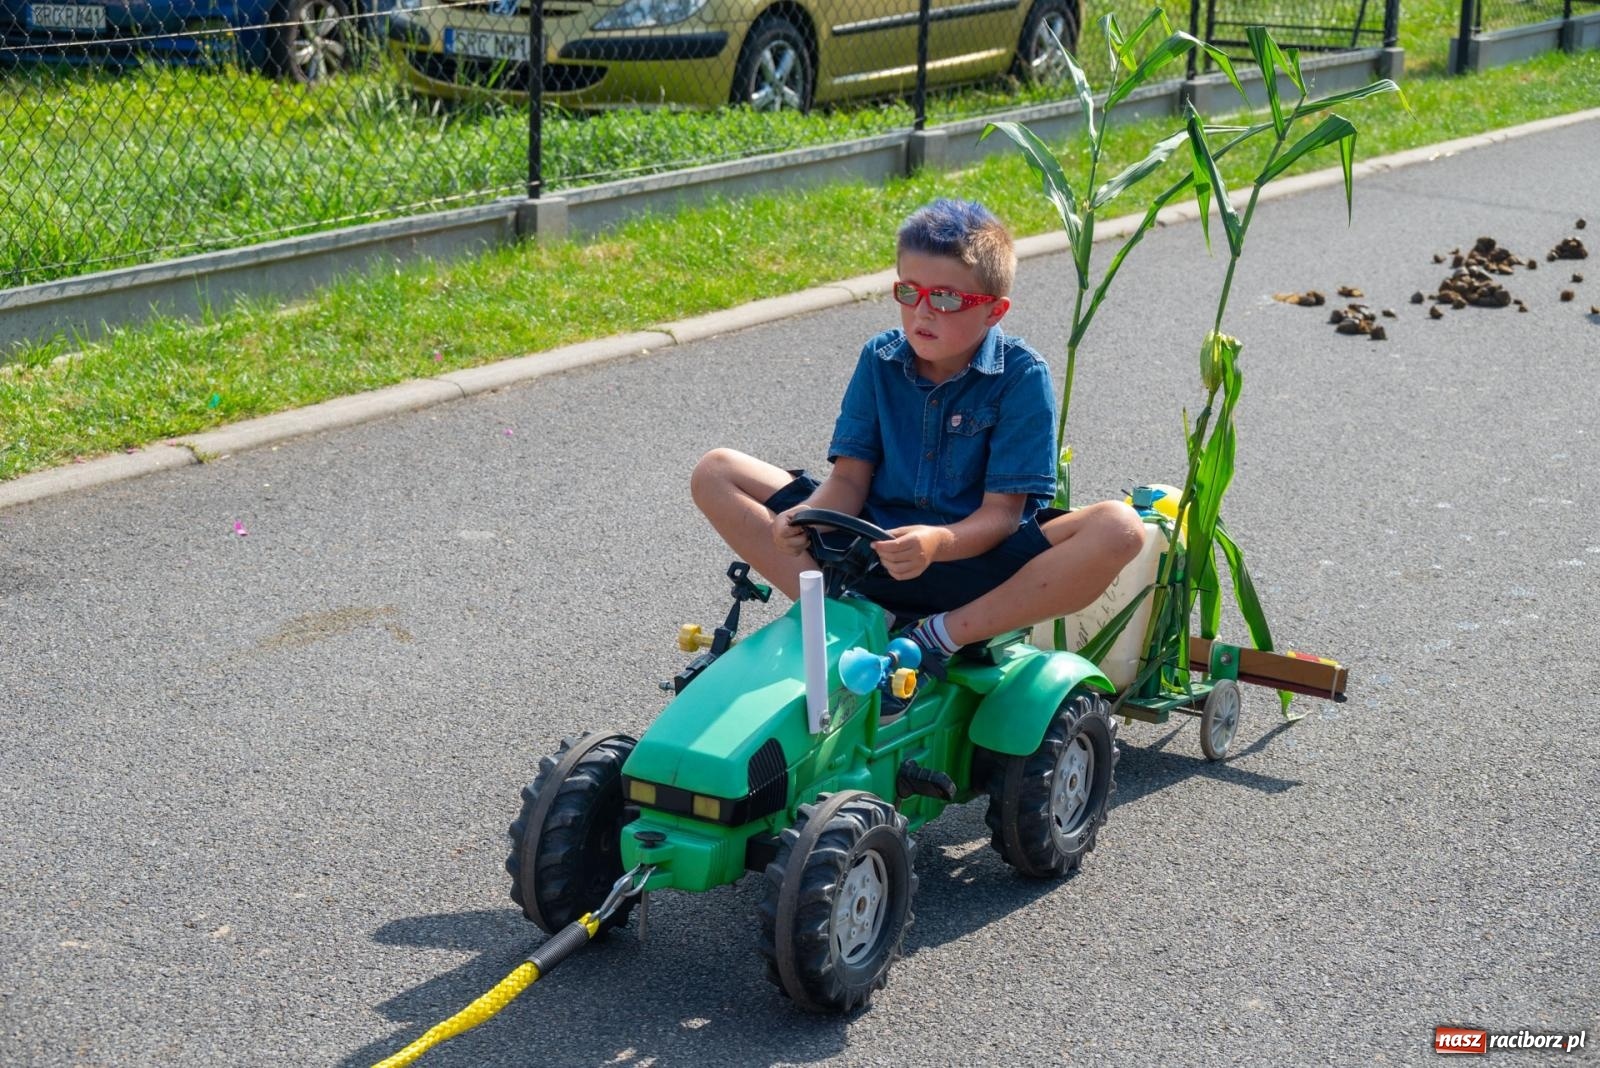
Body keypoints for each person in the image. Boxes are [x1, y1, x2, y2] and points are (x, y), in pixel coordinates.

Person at [690, 197, 1144, 667]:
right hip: (868, 548)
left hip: (976, 566)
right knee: (716, 471)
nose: (923, 313)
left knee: (1121, 527)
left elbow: (1003, 517)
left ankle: (940, 635)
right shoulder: (879, 357)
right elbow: (848, 482)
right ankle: (839, 618)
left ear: (994, 311)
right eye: (909, 293)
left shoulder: (1022, 376)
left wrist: (935, 542)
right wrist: (807, 517)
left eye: (946, 298)